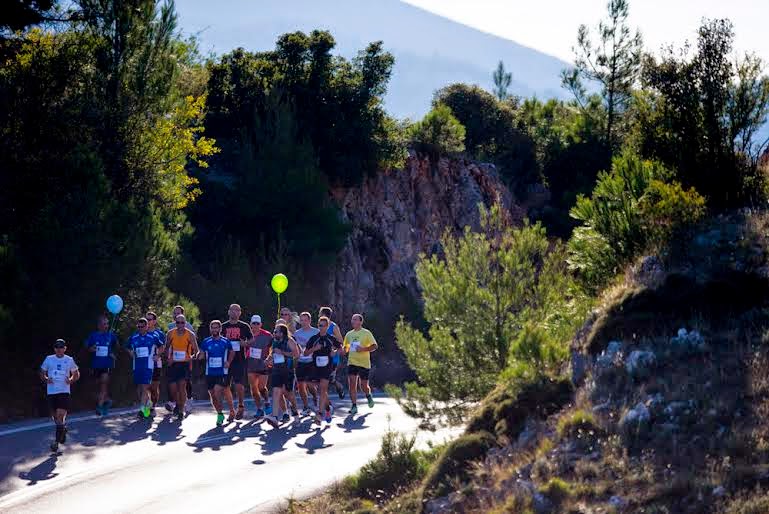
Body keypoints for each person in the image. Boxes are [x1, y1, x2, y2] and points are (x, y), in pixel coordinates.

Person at [40, 339, 80, 452]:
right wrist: (47, 379)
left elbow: (76, 374)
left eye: (61, 347)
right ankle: (63, 429)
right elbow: (42, 373)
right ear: (54, 348)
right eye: (57, 347)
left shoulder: (69, 360)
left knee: (60, 415)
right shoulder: (49, 359)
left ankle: (56, 443)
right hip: (51, 392)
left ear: (65, 348)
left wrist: (71, 380)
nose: (59, 349)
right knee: (55, 418)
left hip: (64, 391)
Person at [305, 316, 341, 423]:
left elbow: (341, 348)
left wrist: (335, 352)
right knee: (311, 386)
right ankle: (327, 408)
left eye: (324, 325)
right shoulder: (313, 338)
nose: (321, 327)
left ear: (327, 326)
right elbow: (305, 353)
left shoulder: (331, 338)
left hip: (327, 367)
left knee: (323, 389)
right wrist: (314, 349)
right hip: (315, 367)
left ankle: (320, 414)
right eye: (320, 325)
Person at [199, 320, 234, 426]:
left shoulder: (225, 341)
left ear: (220, 329)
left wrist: (228, 361)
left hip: (222, 372)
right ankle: (220, 413)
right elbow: (201, 353)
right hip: (209, 372)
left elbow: (232, 352)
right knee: (212, 394)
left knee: (218, 390)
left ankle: (229, 411)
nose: (214, 329)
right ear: (210, 329)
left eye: (216, 328)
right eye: (212, 327)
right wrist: (198, 356)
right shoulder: (206, 341)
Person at [127, 318, 164, 419]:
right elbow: (127, 347)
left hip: (148, 366)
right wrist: (130, 352)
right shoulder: (133, 337)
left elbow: (162, 347)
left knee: (144, 388)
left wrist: (157, 355)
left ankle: (142, 410)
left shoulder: (153, 337)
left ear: (147, 326)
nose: (140, 328)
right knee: (139, 390)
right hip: (137, 366)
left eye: (142, 326)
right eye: (138, 327)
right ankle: (149, 405)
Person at [221, 304, 253, 421]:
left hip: (239, 359)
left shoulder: (244, 326)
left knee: (239, 384)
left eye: (237, 310)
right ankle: (231, 410)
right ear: (228, 312)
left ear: (240, 313)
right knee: (225, 385)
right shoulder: (223, 326)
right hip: (225, 360)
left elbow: (251, 339)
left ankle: (240, 406)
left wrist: (245, 344)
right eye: (232, 310)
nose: (234, 312)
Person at [265, 324, 300, 428]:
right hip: (276, 370)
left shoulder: (290, 341)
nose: (274, 333)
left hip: (288, 371)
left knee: (289, 394)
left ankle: (294, 411)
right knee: (276, 392)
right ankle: (275, 417)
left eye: (276, 331)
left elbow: (296, 354)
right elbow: (272, 354)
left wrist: (283, 353)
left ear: (282, 333)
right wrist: (268, 360)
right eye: (274, 331)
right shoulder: (274, 342)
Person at [343, 313, 378, 415]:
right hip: (352, 362)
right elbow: (346, 347)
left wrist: (363, 349)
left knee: (363, 386)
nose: (353, 321)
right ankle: (354, 406)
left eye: (355, 320)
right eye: (352, 319)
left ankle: (368, 395)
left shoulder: (366, 333)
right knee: (352, 384)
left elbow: (375, 346)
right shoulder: (349, 334)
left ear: (360, 322)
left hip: (364, 363)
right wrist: (342, 350)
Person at [166, 314, 198, 421]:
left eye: (182, 323)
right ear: (175, 323)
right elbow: (166, 348)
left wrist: (191, 357)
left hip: (184, 364)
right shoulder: (170, 333)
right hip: (173, 363)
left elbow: (196, 351)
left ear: (185, 323)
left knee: (182, 386)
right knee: (173, 388)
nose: (180, 325)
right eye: (178, 323)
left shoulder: (190, 335)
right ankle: (177, 404)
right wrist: (168, 358)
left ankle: (180, 411)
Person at [84, 314, 119, 415]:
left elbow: (118, 346)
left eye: (107, 324)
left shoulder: (111, 335)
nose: (106, 326)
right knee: (98, 386)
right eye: (104, 324)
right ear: (99, 325)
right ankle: (107, 401)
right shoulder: (93, 335)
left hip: (107, 364)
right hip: (96, 365)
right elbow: (87, 346)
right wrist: (91, 348)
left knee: (104, 383)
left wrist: (113, 354)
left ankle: (99, 407)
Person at [245, 315, 272, 418]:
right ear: (250, 324)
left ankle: (267, 402)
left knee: (261, 387)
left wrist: (270, 358)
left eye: (257, 323)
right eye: (253, 323)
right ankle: (259, 409)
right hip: (251, 365)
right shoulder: (247, 334)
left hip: (263, 365)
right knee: (254, 388)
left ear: (261, 324)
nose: (255, 325)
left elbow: (273, 346)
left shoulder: (267, 335)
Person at [293, 312, 320, 416]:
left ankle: (314, 396)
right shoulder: (297, 333)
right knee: (300, 385)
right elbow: (295, 346)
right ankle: (306, 406)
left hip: (312, 362)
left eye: (305, 320)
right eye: (302, 320)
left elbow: (320, 345)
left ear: (309, 320)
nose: (303, 322)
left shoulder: (316, 332)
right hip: (301, 361)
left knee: (310, 384)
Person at [319, 306, 345, 399]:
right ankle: (324, 401)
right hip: (322, 357)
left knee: (329, 379)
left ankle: (340, 388)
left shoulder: (333, 326)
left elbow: (341, 341)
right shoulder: (320, 326)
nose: (319, 315)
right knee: (324, 379)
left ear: (323, 314)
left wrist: (334, 350)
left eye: (320, 313)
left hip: (332, 357)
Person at [145, 312, 166, 415]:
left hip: (156, 364)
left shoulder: (159, 334)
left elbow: (163, 347)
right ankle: (147, 407)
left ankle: (153, 406)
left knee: (154, 387)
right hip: (144, 364)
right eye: (146, 319)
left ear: (154, 321)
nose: (147, 322)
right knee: (145, 386)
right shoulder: (141, 332)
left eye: (149, 320)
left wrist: (158, 355)